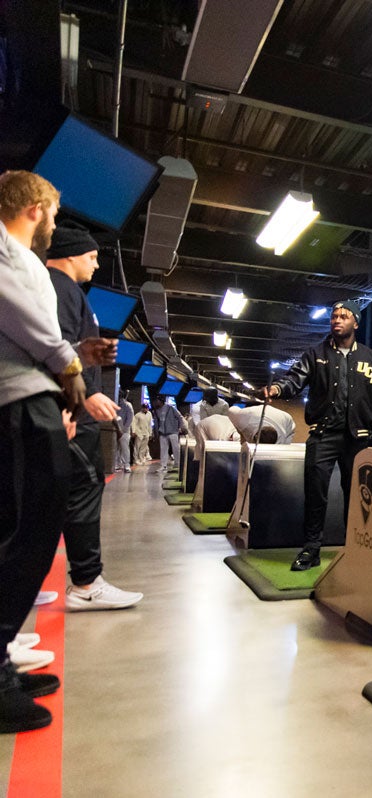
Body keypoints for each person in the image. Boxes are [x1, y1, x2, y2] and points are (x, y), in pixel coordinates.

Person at [0, 169, 116, 732]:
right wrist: (71, 367)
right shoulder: (6, 252)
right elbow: (35, 328)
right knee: (23, 532)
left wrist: (78, 359)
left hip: (32, 398)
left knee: (27, 531)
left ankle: (0, 665)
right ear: (34, 208)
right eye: (52, 212)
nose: (55, 223)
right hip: (19, 405)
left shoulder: (18, 256)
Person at [45, 222, 144, 612]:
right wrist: (76, 402)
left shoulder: (59, 289)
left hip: (63, 407)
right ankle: (86, 583)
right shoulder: (62, 289)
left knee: (44, 497)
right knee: (84, 489)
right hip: (69, 413)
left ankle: (21, 580)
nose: (97, 265)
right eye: (91, 256)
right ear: (69, 255)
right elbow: (59, 350)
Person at [263, 300, 372, 571]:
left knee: (356, 496)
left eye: (344, 316)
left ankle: (354, 549)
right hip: (322, 435)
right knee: (315, 494)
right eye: (334, 316)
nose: (337, 320)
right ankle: (311, 550)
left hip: (357, 438)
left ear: (355, 323)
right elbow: (294, 379)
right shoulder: (315, 354)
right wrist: (277, 389)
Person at [228, 402, 296, 445]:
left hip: (286, 420)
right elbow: (231, 410)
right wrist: (241, 433)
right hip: (254, 413)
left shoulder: (282, 438)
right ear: (255, 436)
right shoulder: (244, 418)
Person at [151, 393, 185, 471]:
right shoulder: (156, 411)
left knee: (175, 448)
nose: (156, 402)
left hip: (173, 431)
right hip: (162, 433)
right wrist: (156, 432)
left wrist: (180, 427)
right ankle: (163, 465)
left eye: (157, 400)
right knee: (163, 449)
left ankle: (177, 463)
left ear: (161, 401)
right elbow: (156, 423)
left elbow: (179, 417)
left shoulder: (171, 408)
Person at [114, 388, 134, 473]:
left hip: (125, 432)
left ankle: (127, 465)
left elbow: (130, 418)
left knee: (125, 448)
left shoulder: (127, 405)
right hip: (115, 430)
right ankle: (117, 464)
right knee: (116, 449)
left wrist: (123, 429)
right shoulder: (114, 404)